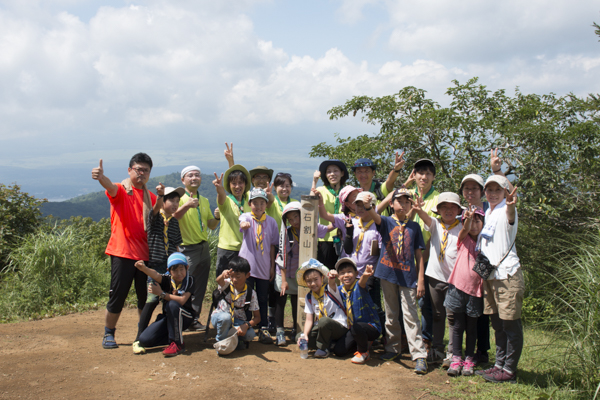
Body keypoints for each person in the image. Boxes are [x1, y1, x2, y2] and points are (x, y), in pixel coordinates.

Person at [91, 153, 157, 349]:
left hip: (145, 255)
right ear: (130, 170)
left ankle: (142, 333)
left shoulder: (151, 197)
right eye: (138, 169)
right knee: (118, 294)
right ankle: (108, 334)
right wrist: (101, 177)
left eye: (145, 170)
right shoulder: (121, 190)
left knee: (144, 297)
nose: (141, 173)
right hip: (122, 252)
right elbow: (109, 187)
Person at [364, 188, 429, 374]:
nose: (403, 204)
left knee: (411, 315)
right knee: (391, 313)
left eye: (407, 201)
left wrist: (421, 279)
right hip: (387, 273)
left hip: (408, 277)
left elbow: (419, 254)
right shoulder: (385, 221)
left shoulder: (414, 227)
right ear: (391, 204)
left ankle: (419, 355)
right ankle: (393, 348)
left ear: (411, 204)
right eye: (399, 200)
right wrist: (369, 206)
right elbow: (374, 216)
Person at [477, 175, 523, 384]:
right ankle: (499, 365)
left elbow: (511, 214)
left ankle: (510, 370)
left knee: (510, 325)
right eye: (489, 189)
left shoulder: (506, 209)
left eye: (498, 189)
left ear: (505, 192)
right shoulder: (489, 211)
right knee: (497, 324)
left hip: (507, 275)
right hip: (492, 276)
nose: (493, 193)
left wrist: (512, 204)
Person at [412, 192, 465, 364]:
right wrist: (419, 210)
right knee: (436, 314)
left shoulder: (462, 227)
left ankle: (453, 351)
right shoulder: (435, 224)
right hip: (435, 277)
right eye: (444, 207)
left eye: (452, 207)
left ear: (458, 209)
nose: (448, 210)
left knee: (452, 316)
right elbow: (426, 218)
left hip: (454, 279)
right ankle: (437, 348)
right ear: (439, 210)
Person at [132, 185, 184, 354]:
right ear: (163, 202)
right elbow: (154, 208)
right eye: (172, 201)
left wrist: (179, 268)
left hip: (170, 268)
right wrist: (160, 195)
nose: (176, 204)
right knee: (152, 300)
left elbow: (176, 245)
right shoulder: (154, 218)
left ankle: (168, 336)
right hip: (155, 265)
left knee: (169, 302)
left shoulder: (175, 222)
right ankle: (138, 339)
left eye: (178, 201)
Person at [274, 202, 330, 346]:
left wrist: (342, 223)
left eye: (296, 217)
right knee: (281, 299)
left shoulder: (311, 228)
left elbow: (328, 228)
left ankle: (295, 328)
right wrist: (284, 280)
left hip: (300, 274)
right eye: (290, 219)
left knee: (295, 300)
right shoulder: (286, 233)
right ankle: (279, 330)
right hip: (285, 272)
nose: (294, 221)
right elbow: (282, 257)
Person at [174, 166, 219, 331]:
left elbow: (211, 225)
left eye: (197, 175)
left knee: (199, 286)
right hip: (186, 249)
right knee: (183, 285)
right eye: (190, 176)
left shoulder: (204, 200)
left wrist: (217, 217)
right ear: (183, 180)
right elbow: (173, 217)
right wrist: (187, 205)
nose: (194, 178)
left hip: (203, 247)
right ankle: (180, 318)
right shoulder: (179, 199)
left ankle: (193, 319)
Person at [402, 158, 440, 356]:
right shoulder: (407, 195)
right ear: (414, 175)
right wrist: (405, 186)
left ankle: (426, 339)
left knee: (425, 300)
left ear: (433, 176)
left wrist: (420, 210)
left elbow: (437, 227)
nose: (424, 177)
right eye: (420, 172)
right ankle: (404, 336)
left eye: (428, 173)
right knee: (405, 297)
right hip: (405, 255)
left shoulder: (438, 199)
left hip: (429, 255)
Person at [444, 207, 486, 377]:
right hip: (457, 288)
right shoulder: (464, 239)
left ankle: (469, 359)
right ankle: (456, 358)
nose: (474, 225)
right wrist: (467, 220)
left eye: (478, 221)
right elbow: (465, 229)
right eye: (470, 221)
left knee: (472, 327)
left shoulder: (486, 244)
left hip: (475, 292)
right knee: (458, 325)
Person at [134, 253, 195, 357]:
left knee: (172, 304)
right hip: (169, 317)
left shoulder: (190, 280)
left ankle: (177, 344)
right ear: (169, 271)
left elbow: (182, 300)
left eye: (181, 269)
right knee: (144, 340)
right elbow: (156, 275)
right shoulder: (167, 279)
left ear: (187, 268)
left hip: (185, 316)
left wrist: (161, 293)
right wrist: (144, 268)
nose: (179, 273)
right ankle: (172, 337)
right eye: (175, 270)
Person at [239, 188, 279, 344]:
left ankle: (263, 328)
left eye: (262, 203)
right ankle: (246, 326)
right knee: (246, 297)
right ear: (250, 204)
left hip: (263, 267)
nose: (258, 206)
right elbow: (242, 222)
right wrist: (244, 224)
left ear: (266, 204)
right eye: (255, 203)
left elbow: (272, 246)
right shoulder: (247, 217)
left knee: (263, 298)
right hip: (247, 267)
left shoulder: (272, 222)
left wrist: (271, 266)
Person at [296, 258, 347, 358]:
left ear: (322, 277)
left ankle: (323, 348)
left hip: (339, 325)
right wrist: (305, 335)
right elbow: (309, 320)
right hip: (323, 327)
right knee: (300, 337)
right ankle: (329, 344)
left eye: (316, 279)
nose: (313, 284)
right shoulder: (309, 297)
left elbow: (332, 282)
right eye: (309, 281)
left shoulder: (329, 289)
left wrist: (332, 276)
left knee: (323, 321)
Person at [335, 258, 382, 364]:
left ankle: (364, 352)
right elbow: (330, 288)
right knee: (339, 351)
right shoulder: (340, 290)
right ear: (339, 277)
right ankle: (362, 344)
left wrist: (365, 275)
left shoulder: (359, 286)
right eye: (342, 273)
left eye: (349, 272)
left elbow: (362, 281)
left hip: (370, 327)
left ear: (356, 273)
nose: (346, 275)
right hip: (354, 329)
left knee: (357, 327)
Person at [211, 256, 261, 353]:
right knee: (226, 318)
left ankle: (233, 339)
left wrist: (246, 326)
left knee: (250, 334)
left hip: (238, 321)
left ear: (247, 275)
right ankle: (220, 343)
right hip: (220, 317)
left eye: (238, 277)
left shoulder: (251, 293)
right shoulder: (227, 284)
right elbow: (219, 281)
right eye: (232, 276)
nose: (234, 279)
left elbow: (257, 317)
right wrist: (223, 275)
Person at [212, 165, 252, 276]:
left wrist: (231, 161)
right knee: (224, 283)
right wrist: (219, 188)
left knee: (243, 282)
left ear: (245, 184)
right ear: (229, 186)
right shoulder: (226, 201)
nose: (237, 186)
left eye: (241, 183)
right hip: (227, 249)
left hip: (246, 248)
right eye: (234, 183)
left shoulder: (248, 199)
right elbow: (221, 195)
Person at [311, 159, 349, 269]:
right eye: (329, 171)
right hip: (325, 238)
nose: (332, 174)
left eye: (336, 171)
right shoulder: (321, 190)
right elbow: (309, 203)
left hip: (345, 237)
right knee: (326, 271)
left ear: (342, 173)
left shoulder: (347, 191)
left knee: (343, 270)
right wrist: (314, 181)